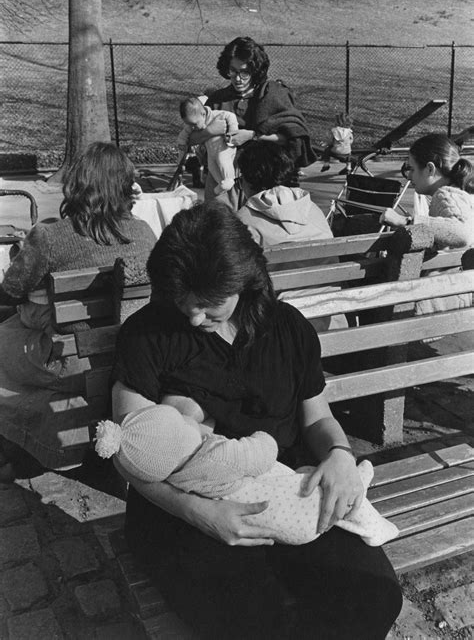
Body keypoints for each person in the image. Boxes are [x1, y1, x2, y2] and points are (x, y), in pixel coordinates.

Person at [111, 201, 402, 640]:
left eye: (210, 305)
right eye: (184, 301)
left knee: (375, 597)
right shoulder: (148, 334)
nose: (193, 317)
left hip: (287, 487)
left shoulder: (287, 329)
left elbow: (316, 416)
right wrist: (200, 513)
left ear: (245, 283)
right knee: (249, 618)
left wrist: (340, 456)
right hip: (182, 500)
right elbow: (127, 454)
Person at [0, 142, 157, 474]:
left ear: (76, 185)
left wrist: (23, 252)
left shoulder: (51, 237)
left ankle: (21, 446)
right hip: (128, 360)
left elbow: (11, 290)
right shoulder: (145, 233)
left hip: (70, 362)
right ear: (127, 186)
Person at [95, 402, 399, 547]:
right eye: (181, 422)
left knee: (310, 477)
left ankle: (353, 486)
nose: (188, 420)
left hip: (269, 523)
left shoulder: (178, 473)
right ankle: (372, 524)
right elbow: (262, 451)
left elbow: (149, 452)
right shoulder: (216, 457)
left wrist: (339, 453)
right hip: (295, 509)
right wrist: (260, 438)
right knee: (324, 496)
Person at [237, 142, 347, 333]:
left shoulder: (243, 221)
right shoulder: (312, 209)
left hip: (276, 331)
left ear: (247, 180)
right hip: (330, 320)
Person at [186, 36, 316, 192]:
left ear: (255, 70)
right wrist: (210, 131)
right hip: (222, 184)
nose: (238, 79)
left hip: (266, 183)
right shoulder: (218, 99)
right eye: (233, 71)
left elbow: (293, 138)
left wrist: (252, 136)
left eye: (244, 72)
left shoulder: (274, 94)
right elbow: (190, 139)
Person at [380, 133, 474, 315]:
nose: (409, 177)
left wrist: (406, 222)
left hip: (437, 300)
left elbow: (462, 233)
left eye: (412, 169)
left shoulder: (445, 195)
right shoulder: (465, 195)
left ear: (430, 169)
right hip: (457, 296)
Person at [177, 96, 239, 208]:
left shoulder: (217, 115)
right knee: (211, 166)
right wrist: (182, 144)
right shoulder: (194, 122)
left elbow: (231, 116)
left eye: (194, 124)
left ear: (203, 114)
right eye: (190, 124)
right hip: (211, 151)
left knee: (222, 160)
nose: (193, 127)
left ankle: (229, 180)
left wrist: (233, 131)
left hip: (224, 148)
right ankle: (221, 184)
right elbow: (184, 135)